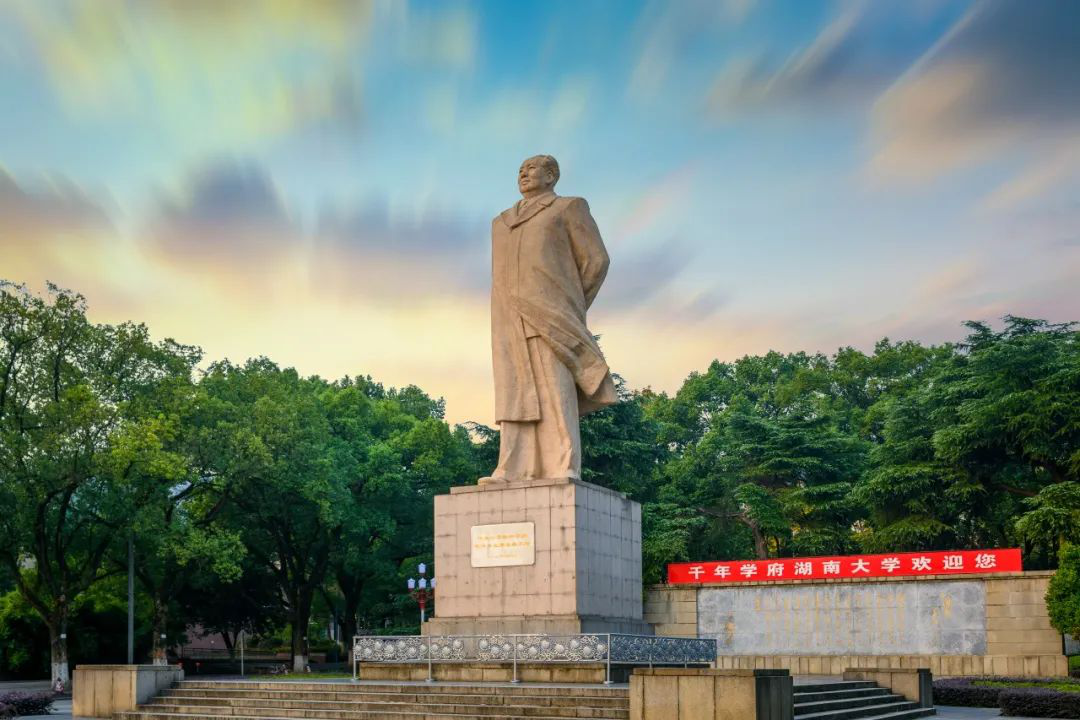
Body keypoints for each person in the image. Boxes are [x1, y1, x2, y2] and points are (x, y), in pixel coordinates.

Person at [481, 155, 616, 484]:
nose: (523, 173)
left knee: (556, 392)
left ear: (551, 175)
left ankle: (563, 463)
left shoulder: (568, 208)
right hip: (508, 319)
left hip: (552, 315)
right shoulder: (500, 223)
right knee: (514, 395)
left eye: (531, 168)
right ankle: (510, 467)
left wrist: (571, 303)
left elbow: (596, 261)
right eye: (519, 170)